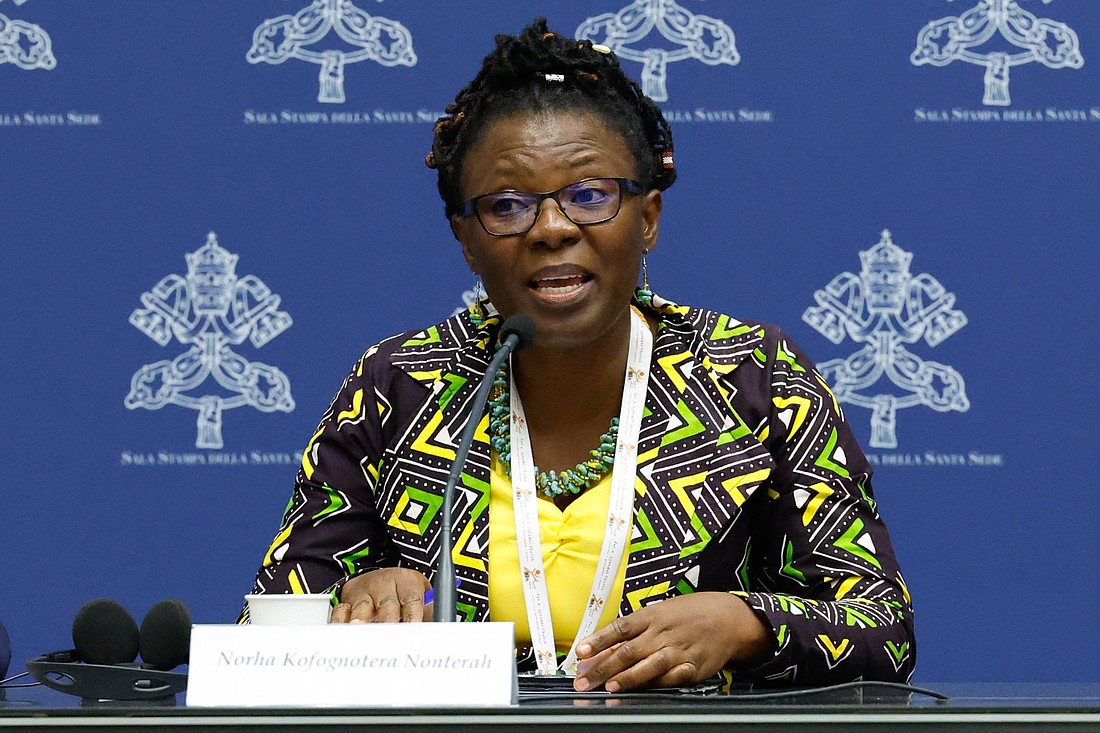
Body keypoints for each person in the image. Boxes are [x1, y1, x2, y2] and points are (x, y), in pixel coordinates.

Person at [244, 18, 916, 691]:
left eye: (589, 195)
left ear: (647, 217)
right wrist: (355, 599)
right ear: (466, 240)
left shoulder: (751, 374)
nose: (553, 228)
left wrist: (743, 623)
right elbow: (262, 636)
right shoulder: (400, 383)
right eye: (508, 205)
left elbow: (884, 628)